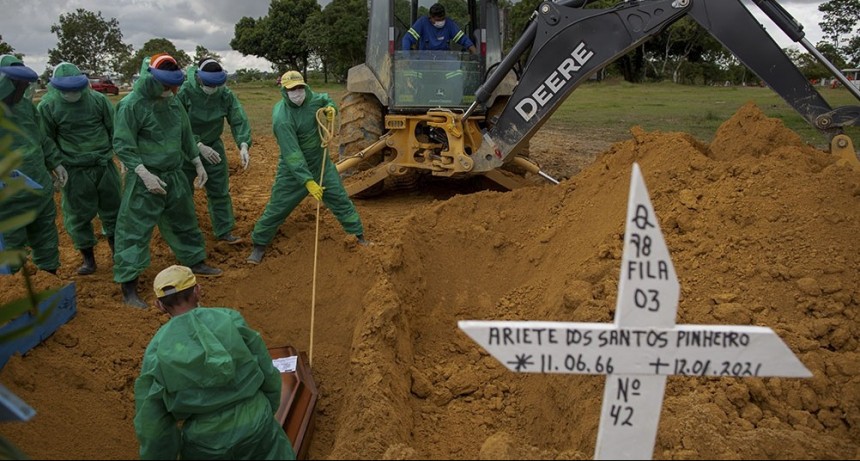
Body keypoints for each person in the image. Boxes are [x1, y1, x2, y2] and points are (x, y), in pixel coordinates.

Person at [134, 265, 296, 460]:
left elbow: (153, 421)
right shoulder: (230, 319)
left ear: (159, 305)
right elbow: (266, 368)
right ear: (197, 291)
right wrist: (265, 409)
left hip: (206, 441)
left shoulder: (156, 349)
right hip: (256, 422)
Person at [112, 53, 222, 308]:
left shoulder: (173, 102)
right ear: (151, 79)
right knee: (134, 230)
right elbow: (123, 143)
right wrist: (142, 172)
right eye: (166, 85)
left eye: (174, 86)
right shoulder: (131, 105)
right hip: (145, 179)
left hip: (175, 174)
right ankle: (129, 286)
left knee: (184, 219)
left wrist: (196, 161)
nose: (171, 90)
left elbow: (184, 132)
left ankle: (195, 260)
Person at [247, 71, 367, 265]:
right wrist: (308, 181)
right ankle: (259, 244)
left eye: (300, 87)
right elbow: (292, 154)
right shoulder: (282, 117)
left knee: (340, 200)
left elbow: (326, 99)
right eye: (292, 89)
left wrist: (330, 108)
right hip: (293, 173)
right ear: (284, 91)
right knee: (277, 208)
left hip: (321, 165)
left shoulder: (313, 100)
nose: (298, 92)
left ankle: (358, 235)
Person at [38, 62, 122, 276]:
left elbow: (114, 129)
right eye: (67, 90)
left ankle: (117, 254)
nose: (72, 93)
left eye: (76, 88)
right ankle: (88, 260)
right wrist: (55, 164)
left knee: (114, 210)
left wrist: (122, 157)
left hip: (103, 165)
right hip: (74, 170)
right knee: (77, 215)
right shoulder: (48, 106)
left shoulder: (98, 100)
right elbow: (47, 139)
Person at [0, 54, 66, 274]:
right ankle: (14, 289)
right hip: (9, 193)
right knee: (12, 241)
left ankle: (49, 277)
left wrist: (55, 163)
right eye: (17, 83)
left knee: (45, 234)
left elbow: (41, 137)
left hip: (38, 184)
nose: (21, 89)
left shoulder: (26, 108)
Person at [177, 57, 252, 244]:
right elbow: (176, 123)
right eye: (209, 84)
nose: (212, 88)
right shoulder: (184, 92)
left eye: (216, 85)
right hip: (185, 147)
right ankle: (185, 236)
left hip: (214, 148)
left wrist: (243, 144)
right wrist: (197, 145)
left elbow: (238, 118)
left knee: (219, 190)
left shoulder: (224, 94)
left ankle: (224, 230)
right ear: (199, 79)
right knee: (182, 194)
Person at [401, 3, 476, 53]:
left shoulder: (449, 24)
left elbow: (464, 39)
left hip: (444, 61)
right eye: (437, 20)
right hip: (425, 62)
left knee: (457, 74)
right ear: (430, 17)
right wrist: (405, 57)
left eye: (442, 19)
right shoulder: (422, 23)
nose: (441, 22)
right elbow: (407, 39)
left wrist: (476, 54)